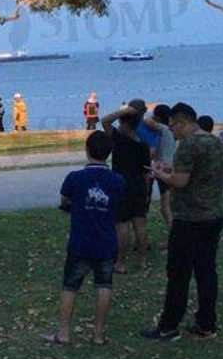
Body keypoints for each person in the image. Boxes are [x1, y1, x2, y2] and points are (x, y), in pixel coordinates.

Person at [142, 103, 223, 341]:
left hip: (189, 218)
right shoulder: (214, 141)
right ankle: (206, 322)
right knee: (206, 270)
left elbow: (179, 182)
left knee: (178, 272)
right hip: (213, 215)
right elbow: (202, 172)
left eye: (172, 127)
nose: (172, 132)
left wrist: (159, 173)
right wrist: (172, 168)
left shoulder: (188, 145)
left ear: (181, 122)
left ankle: (169, 326)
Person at [43, 131, 124, 346]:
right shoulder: (117, 180)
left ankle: (63, 332)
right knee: (104, 285)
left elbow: (65, 200)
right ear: (109, 153)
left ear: (87, 151)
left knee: (70, 286)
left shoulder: (75, 178)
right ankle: (98, 334)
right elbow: (118, 204)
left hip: (80, 241)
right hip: (107, 241)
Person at [101, 104, 151, 272]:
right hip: (139, 186)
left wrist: (124, 111)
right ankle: (142, 260)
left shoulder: (119, 140)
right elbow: (146, 173)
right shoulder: (143, 146)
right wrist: (146, 192)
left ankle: (121, 262)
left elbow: (105, 121)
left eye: (121, 123)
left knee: (122, 225)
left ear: (125, 125)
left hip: (121, 185)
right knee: (140, 223)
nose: (119, 125)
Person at [143, 104, 176, 232]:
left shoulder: (164, 129)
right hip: (169, 167)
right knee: (166, 205)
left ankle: (173, 234)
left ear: (158, 117)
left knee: (165, 208)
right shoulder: (172, 130)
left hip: (162, 168)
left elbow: (147, 121)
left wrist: (149, 116)